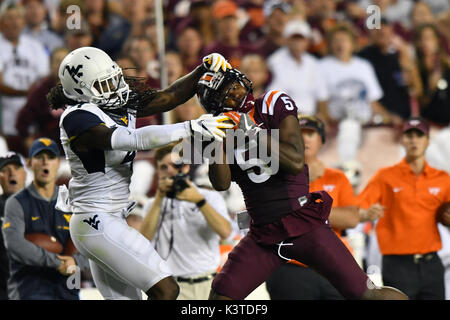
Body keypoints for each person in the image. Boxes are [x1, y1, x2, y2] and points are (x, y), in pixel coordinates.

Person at [198, 67, 408, 300]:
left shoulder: (271, 103)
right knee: (220, 298)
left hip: (302, 223)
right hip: (263, 233)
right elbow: (221, 183)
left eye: (235, 84)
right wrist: (214, 141)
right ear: (216, 105)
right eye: (227, 92)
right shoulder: (222, 130)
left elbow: (295, 161)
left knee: (366, 295)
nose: (236, 92)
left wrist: (253, 133)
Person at [47, 46, 233, 300]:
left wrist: (203, 69)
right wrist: (190, 127)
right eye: (103, 85)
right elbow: (130, 139)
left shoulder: (115, 102)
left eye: (113, 78)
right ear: (81, 91)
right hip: (95, 220)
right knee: (167, 290)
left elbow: (169, 97)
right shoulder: (76, 117)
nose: (114, 87)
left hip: (108, 219)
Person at [357, 117, 450, 300]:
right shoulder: (385, 177)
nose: (414, 140)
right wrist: (366, 213)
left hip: (432, 263)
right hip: (398, 264)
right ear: (402, 140)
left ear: (427, 141)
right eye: (409, 135)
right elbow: (359, 207)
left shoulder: (442, 179)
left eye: (419, 135)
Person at [140, 144, 231, 300]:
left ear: (186, 167)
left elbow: (225, 232)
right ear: (158, 172)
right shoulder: (152, 205)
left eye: (176, 165)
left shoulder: (209, 197)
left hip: (207, 285)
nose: (170, 170)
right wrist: (159, 198)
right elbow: (142, 241)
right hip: (171, 288)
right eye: (163, 167)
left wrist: (199, 201)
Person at [1, 138, 88, 300]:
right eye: (39, 158)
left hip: (70, 286)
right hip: (30, 288)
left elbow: (93, 245)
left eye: (51, 157)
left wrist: (76, 262)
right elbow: (14, 244)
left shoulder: (75, 201)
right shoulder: (17, 202)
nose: (45, 162)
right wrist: (56, 262)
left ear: (58, 163)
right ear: (30, 163)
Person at [0, 3, 49, 154]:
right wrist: (27, 92)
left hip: (33, 119)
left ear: (23, 22)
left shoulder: (34, 46)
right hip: (5, 115)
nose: (15, 22)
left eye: (18, 18)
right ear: (1, 22)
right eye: (10, 18)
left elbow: (45, 76)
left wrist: (32, 92)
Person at [267, 20, 329, 121]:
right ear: (286, 40)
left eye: (301, 39)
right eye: (294, 39)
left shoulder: (313, 63)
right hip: (284, 117)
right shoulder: (275, 61)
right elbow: (273, 97)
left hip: (310, 117)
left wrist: (323, 118)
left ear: (307, 41)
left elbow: (322, 96)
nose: (297, 43)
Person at [16, 47, 70, 154]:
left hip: (75, 147)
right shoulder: (41, 91)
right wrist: (28, 142)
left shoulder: (80, 88)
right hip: (49, 148)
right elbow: (22, 121)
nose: (61, 65)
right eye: (57, 61)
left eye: (65, 61)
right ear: (50, 65)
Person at [0, 152, 27, 300]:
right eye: (4, 170)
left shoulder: (48, 206)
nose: (12, 174)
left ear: (25, 173)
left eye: (16, 168)